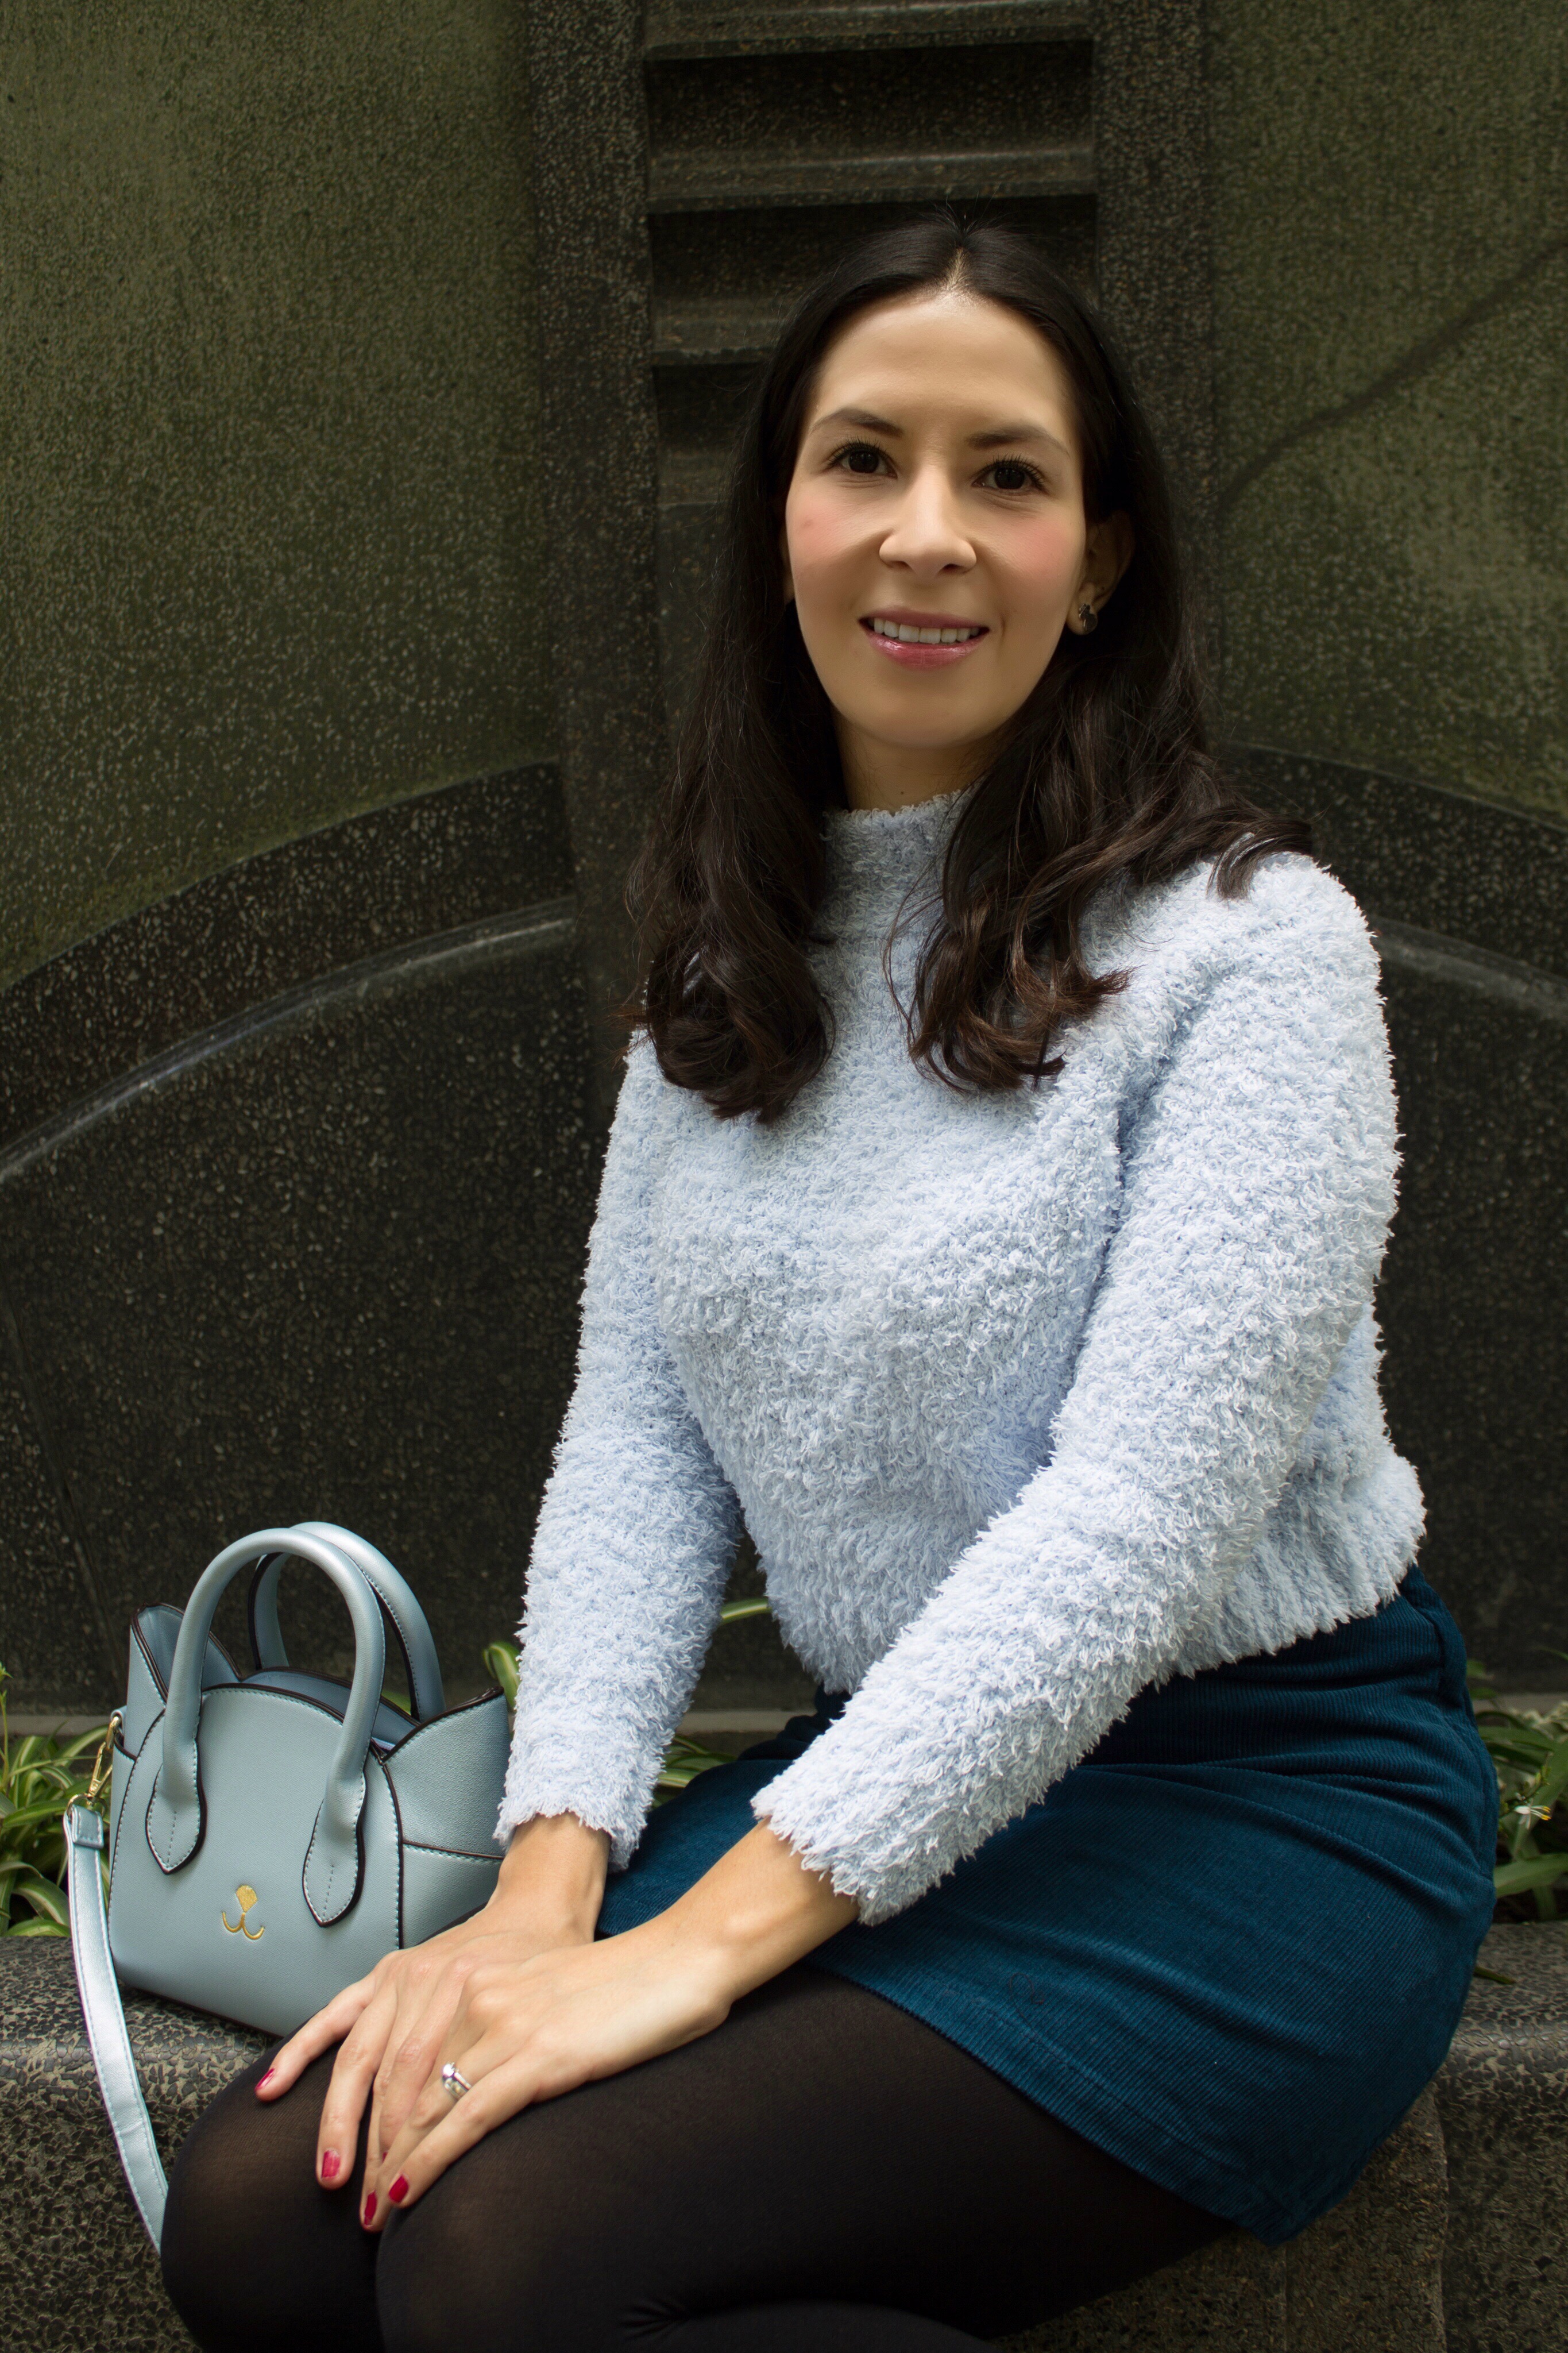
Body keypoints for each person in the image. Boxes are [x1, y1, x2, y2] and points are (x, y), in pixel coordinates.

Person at [160, 214, 1499, 2353]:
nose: (924, 533)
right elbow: (638, 1444)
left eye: (1005, 475)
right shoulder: (728, 968)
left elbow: (1135, 1528)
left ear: (1099, 558)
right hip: (898, 1778)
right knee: (262, 2215)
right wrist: (545, 1892)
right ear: (780, 515)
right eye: (863, 458)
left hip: (1250, 1812)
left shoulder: (1252, 953)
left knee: (508, 2258)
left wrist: (692, 1953)